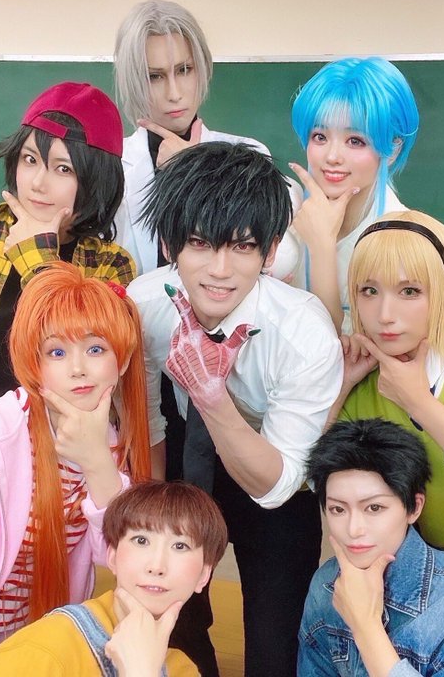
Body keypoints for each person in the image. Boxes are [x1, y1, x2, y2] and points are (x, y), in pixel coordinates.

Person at [127, 141, 343, 677]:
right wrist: (154, 514)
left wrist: (211, 395)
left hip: (272, 461)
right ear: (170, 242)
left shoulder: (303, 333)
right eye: (200, 243)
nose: (220, 270)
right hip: (183, 453)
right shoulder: (145, 305)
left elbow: (279, 484)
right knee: (175, 625)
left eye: (242, 247)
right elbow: (148, 418)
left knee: (275, 644)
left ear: (270, 252)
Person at [0, 262, 150, 666]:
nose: (78, 368)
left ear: (121, 361)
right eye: (57, 352)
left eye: (95, 349)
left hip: (31, 644)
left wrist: (96, 462)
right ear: (34, 363)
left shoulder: (110, 446)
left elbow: (120, 556)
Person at [329, 209, 444, 563]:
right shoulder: (360, 389)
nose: (384, 314)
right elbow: (309, 483)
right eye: (369, 291)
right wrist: (339, 388)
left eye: (409, 291)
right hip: (426, 585)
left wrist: (419, 403)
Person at [0, 81, 136, 399]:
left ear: (97, 180)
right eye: (30, 160)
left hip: (57, 427)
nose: (37, 183)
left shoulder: (111, 265)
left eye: (63, 169)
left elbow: (83, 372)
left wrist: (38, 260)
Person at [113, 0, 303, 278]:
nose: (174, 93)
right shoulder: (112, 166)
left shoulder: (247, 155)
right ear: (133, 80)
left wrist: (189, 170)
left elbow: (259, 258)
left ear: (200, 67)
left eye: (184, 70)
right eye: (155, 76)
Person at [0, 480, 227, 677]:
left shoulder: (181, 669)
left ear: (204, 575)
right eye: (141, 540)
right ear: (112, 557)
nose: (157, 566)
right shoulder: (51, 647)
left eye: (180, 546)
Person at [298, 418, 444, 676]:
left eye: (374, 508)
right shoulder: (326, 584)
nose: (354, 529)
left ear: (414, 508)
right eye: (338, 509)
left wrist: (366, 627)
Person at [290, 57, 419, 332]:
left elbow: (328, 343)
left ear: (393, 149)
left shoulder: (405, 240)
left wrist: (322, 246)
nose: (332, 156)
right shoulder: (286, 213)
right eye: (320, 137)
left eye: (355, 141)